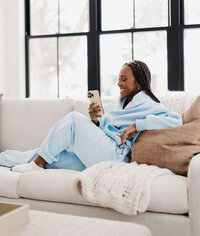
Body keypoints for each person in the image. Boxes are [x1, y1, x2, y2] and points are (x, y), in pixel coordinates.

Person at [0, 60, 182, 173]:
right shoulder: (119, 103)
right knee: (54, 157)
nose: (118, 83)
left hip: (116, 155)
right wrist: (95, 120)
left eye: (124, 79)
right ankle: (4, 159)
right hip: (100, 152)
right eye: (118, 78)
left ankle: (37, 164)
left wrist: (138, 125)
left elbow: (175, 120)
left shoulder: (148, 104)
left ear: (139, 83)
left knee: (73, 119)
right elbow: (103, 127)